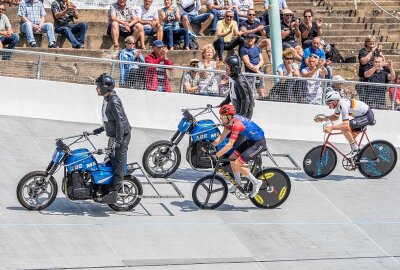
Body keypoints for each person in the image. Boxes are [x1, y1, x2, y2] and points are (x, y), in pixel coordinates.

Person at [91, 73, 132, 204]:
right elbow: (110, 120)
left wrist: (119, 141)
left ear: (105, 87)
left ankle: (114, 193)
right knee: (110, 160)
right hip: (114, 136)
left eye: (98, 86)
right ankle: (105, 188)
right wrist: (99, 130)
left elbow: (120, 121)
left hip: (122, 136)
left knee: (118, 163)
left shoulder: (113, 101)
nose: (96, 89)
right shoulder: (107, 98)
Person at [211, 104, 266, 197]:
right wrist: (210, 145)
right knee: (232, 158)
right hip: (251, 141)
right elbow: (222, 136)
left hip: (259, 143)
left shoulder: (236, 124)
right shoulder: (231, 122)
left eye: (222, 117)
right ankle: (238, 183)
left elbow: (230, 144)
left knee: (237, 163)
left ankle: (256, 182)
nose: (221, 118)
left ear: (228, 116)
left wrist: (217, 155)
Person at [314, 91, 375, 158]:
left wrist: (331, 127)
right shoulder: (338, 105)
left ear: (334, 102)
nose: (328, 106)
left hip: (367, 116)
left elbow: (345, 125)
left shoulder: (343, 105)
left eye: (329, 103)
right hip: (360, 117)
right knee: (350, 137)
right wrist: (324, 118)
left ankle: (355, 149)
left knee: (344, 129)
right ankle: (358, 154)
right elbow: (335, 117)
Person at [220, 54, 254, 119]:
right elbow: (232, 93)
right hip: (237, 109)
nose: (225, 70)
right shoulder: (232, 77)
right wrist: (225, 102)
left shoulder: (239, 81)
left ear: (234, 69)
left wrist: (242, 115)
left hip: (244, 111)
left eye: (227, 68)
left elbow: (246, 99)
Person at [239, 33, 265, 97]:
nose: (250, 40)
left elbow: (262, 60)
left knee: (261, 88)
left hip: (259, 70)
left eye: (252, 38)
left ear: (254, 39)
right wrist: (258, 72)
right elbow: (248, 63)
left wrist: (258, 68)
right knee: (249, 90)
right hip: (249, 73)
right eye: (248, 38)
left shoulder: (257, 48)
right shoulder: (243, 49)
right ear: (246, 39)